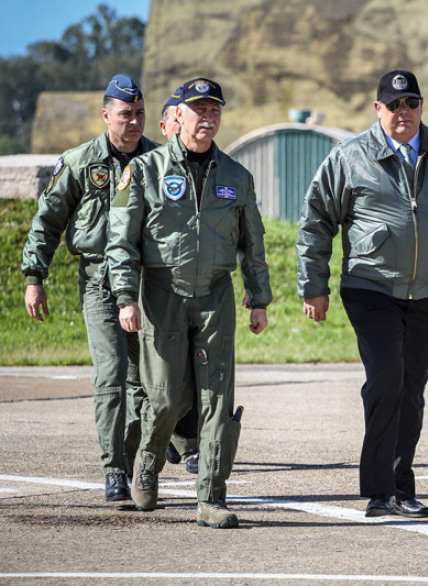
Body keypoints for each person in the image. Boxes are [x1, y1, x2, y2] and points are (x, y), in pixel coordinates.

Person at [297, 70, 428, 518]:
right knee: (386, 381)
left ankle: (400, 485)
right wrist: (313, 286)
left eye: (411, 102)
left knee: (411, 388)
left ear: (421, 105)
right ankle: (380, 490)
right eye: (393, 104)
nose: (403, 111)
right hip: (369, 286)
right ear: (378, 109)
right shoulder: (349, 156)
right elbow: (316, 221)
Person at [106, 77, 272, 528]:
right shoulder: (144, 170)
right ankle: (147, 462)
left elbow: (253, 243)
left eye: (215, 110)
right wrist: (126, 297)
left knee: (216, 397)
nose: (208, 118)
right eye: (199, 109)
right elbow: (121, 240)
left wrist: (259, 298)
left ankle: (211, 498)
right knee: (166, 398)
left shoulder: (237, 176)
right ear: (177, 115)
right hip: (161, 292)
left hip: (216, 294)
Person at [21, 74, 157, 503]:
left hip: (147, 284)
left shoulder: (158, 161)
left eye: (139, 113)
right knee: (112, 373)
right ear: (106, 115)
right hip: (99, 281)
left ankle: (133, 459)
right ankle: (114, 469)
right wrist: (34, 278)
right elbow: (47, 221)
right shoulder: (81, 162)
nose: (134, 121)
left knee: (145, 380)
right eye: (125, 114)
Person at [156, 85, 201, 475]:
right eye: (175, 119)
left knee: (194, 367)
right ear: (166, 125)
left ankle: (188, 443)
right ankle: (159, 443)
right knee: (160, 376)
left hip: (198, 286)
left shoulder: (210, 167)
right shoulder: (148, 169)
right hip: (153, 289)